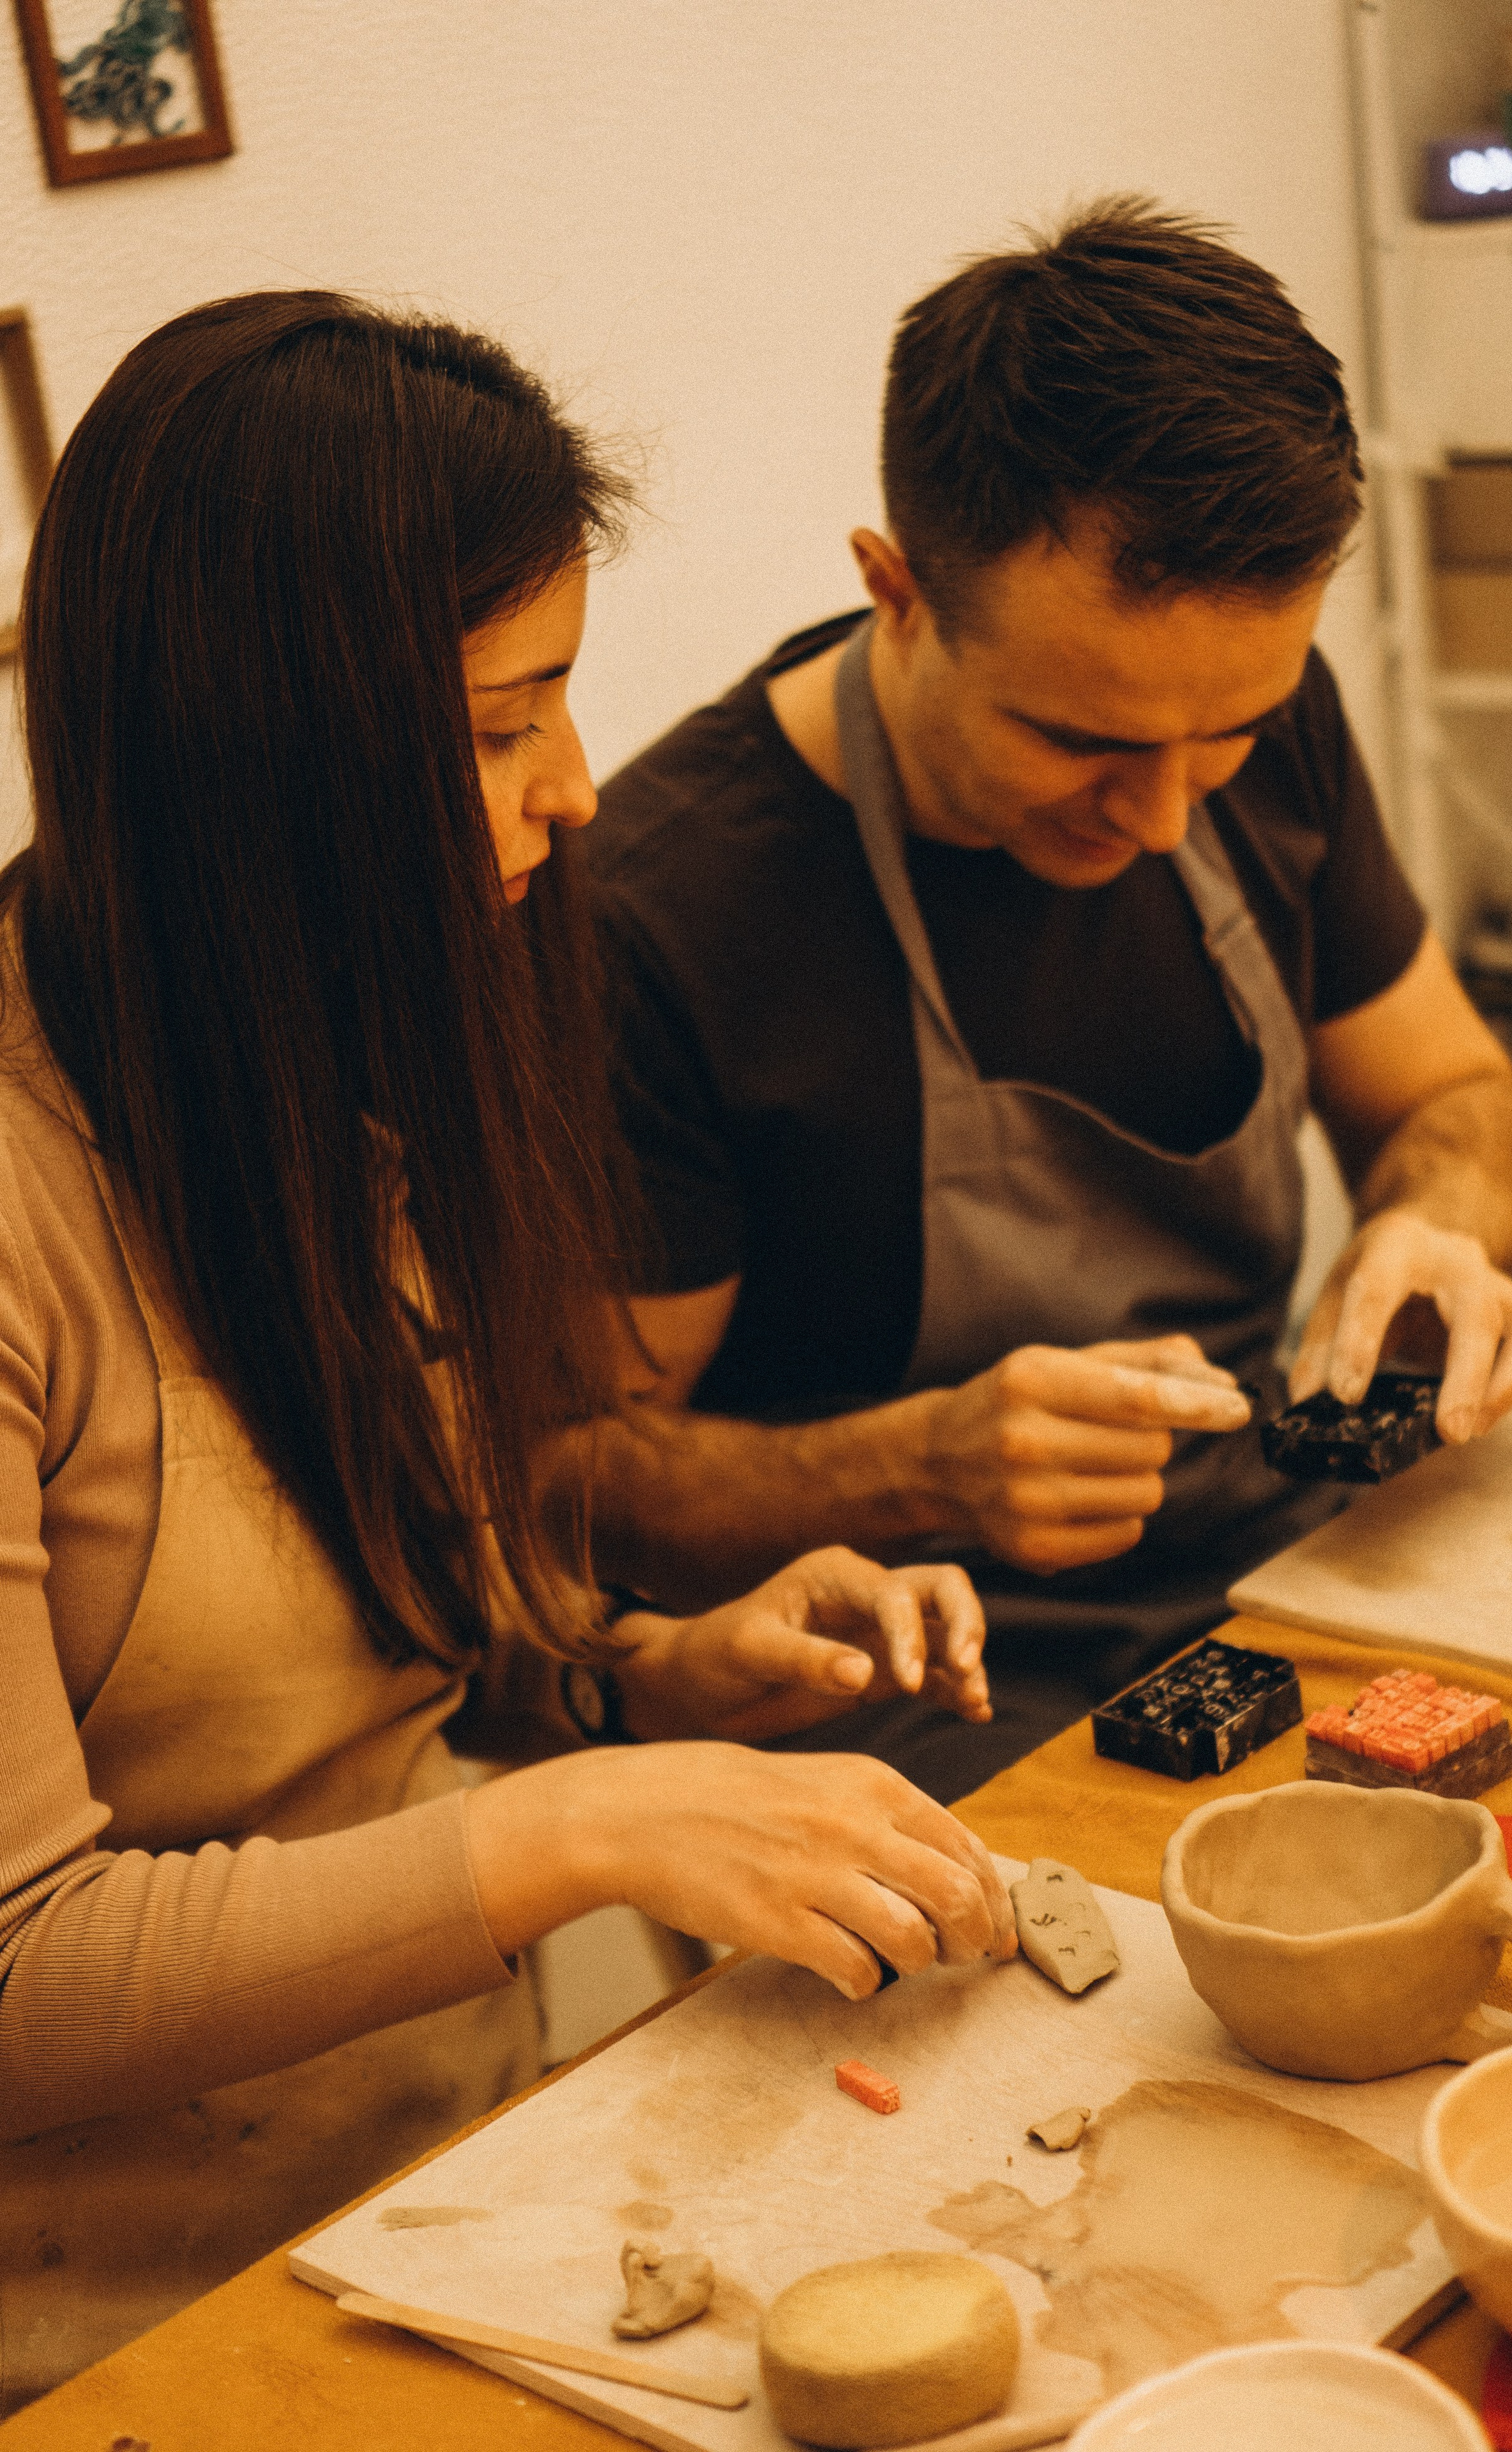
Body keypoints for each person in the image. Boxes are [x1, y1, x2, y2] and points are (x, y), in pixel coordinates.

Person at [0, 291, 1015, 2414]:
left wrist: (637, 1663)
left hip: (464, 2188)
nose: (571, 792)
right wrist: (580, 1830)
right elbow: (22, 1974)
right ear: (251, 758)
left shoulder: (330, 1046)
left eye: (562, 701)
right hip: (120, 2338)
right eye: (493, 727)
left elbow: (387, 1640)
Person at [578, 200, 1512, 1801]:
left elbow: (1449, 1101)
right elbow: (575, 1482)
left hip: (1288, 1539)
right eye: (1082, 744)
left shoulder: (1245, 702)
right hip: (926, 1675)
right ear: (895, 590)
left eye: (1228, 735)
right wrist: (915, 1467)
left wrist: (1435, 1226)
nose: (1167, 813)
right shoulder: (654, 914)